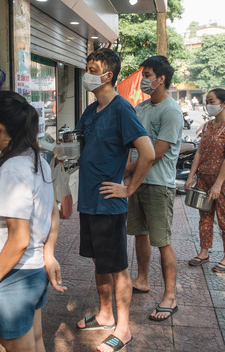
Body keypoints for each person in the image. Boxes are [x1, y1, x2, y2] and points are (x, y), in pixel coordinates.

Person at [74, 48, 154, 352]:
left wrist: (128, 189)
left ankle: (124, 329)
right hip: (88, 202)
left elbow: (146, 153)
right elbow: (79, 146)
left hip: (109, 203)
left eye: (92, 68)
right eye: (87, 66)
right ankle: (105, 314)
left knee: (118, 266)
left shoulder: (122, 109)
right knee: (99, 261)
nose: (87, 73)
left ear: (108, 76)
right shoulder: (90, 110)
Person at [0, 91, 65, 352]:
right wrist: (48, 254)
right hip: (32, 272)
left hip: (11, 274)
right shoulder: (36, 159)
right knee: (35, 340)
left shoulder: (13, 169)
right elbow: (53, 212)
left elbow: (19, 239)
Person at [126, 56, 183, 322]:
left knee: (162, 241)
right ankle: (142, 279)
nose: (144, 79)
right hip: (139, 182)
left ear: (161, 79)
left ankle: (169, 296)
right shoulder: (141, 106)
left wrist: (127, 171)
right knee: (140, 233)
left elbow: (157, 151)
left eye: (147, 74)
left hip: (158, 184)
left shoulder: (170, 111)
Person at [184, 89, 225, 273]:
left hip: (222, 182)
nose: (208, 104)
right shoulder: (208, 126)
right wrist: (191, 175)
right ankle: (203, 252)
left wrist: (218, 184)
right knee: (204, 218)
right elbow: (199, 152)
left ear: (224, 103)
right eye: (206, 101)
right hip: (203, 178)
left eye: (211, 101)